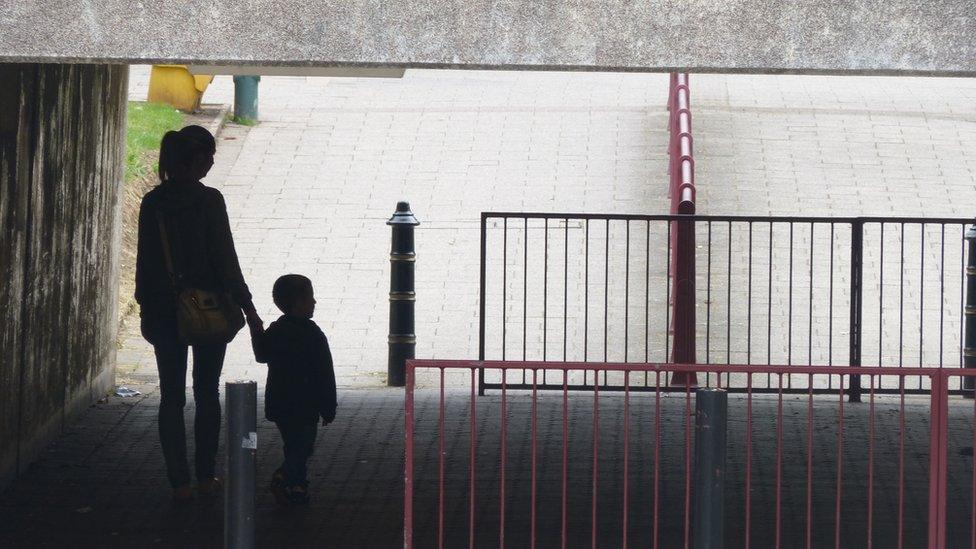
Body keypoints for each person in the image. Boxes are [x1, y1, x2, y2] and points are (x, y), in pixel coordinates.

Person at [135, 125, 262, 501]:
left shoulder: (152, 203)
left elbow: (145, 263)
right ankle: (206, 475)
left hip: (163, 310)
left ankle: (180, 483)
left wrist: (146, 307)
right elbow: (225, 259)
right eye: (207, 157)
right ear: (193, 160)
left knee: (171, 397)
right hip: (208, 308)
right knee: (206, 391)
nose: (210, 164)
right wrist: (248, 306)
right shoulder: (209, 201)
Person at [250, 274, 337, 505]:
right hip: (306, 403)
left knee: (292, 444)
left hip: (280, 402)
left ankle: (297, 486)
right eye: (311, 298)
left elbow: (262, 355)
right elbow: (325, 373)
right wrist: (328, 407)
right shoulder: (313, 334)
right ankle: (286, 476)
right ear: (299, 303)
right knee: (304, 447)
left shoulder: (276, 331)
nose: (315, 302)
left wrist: (256, 329)